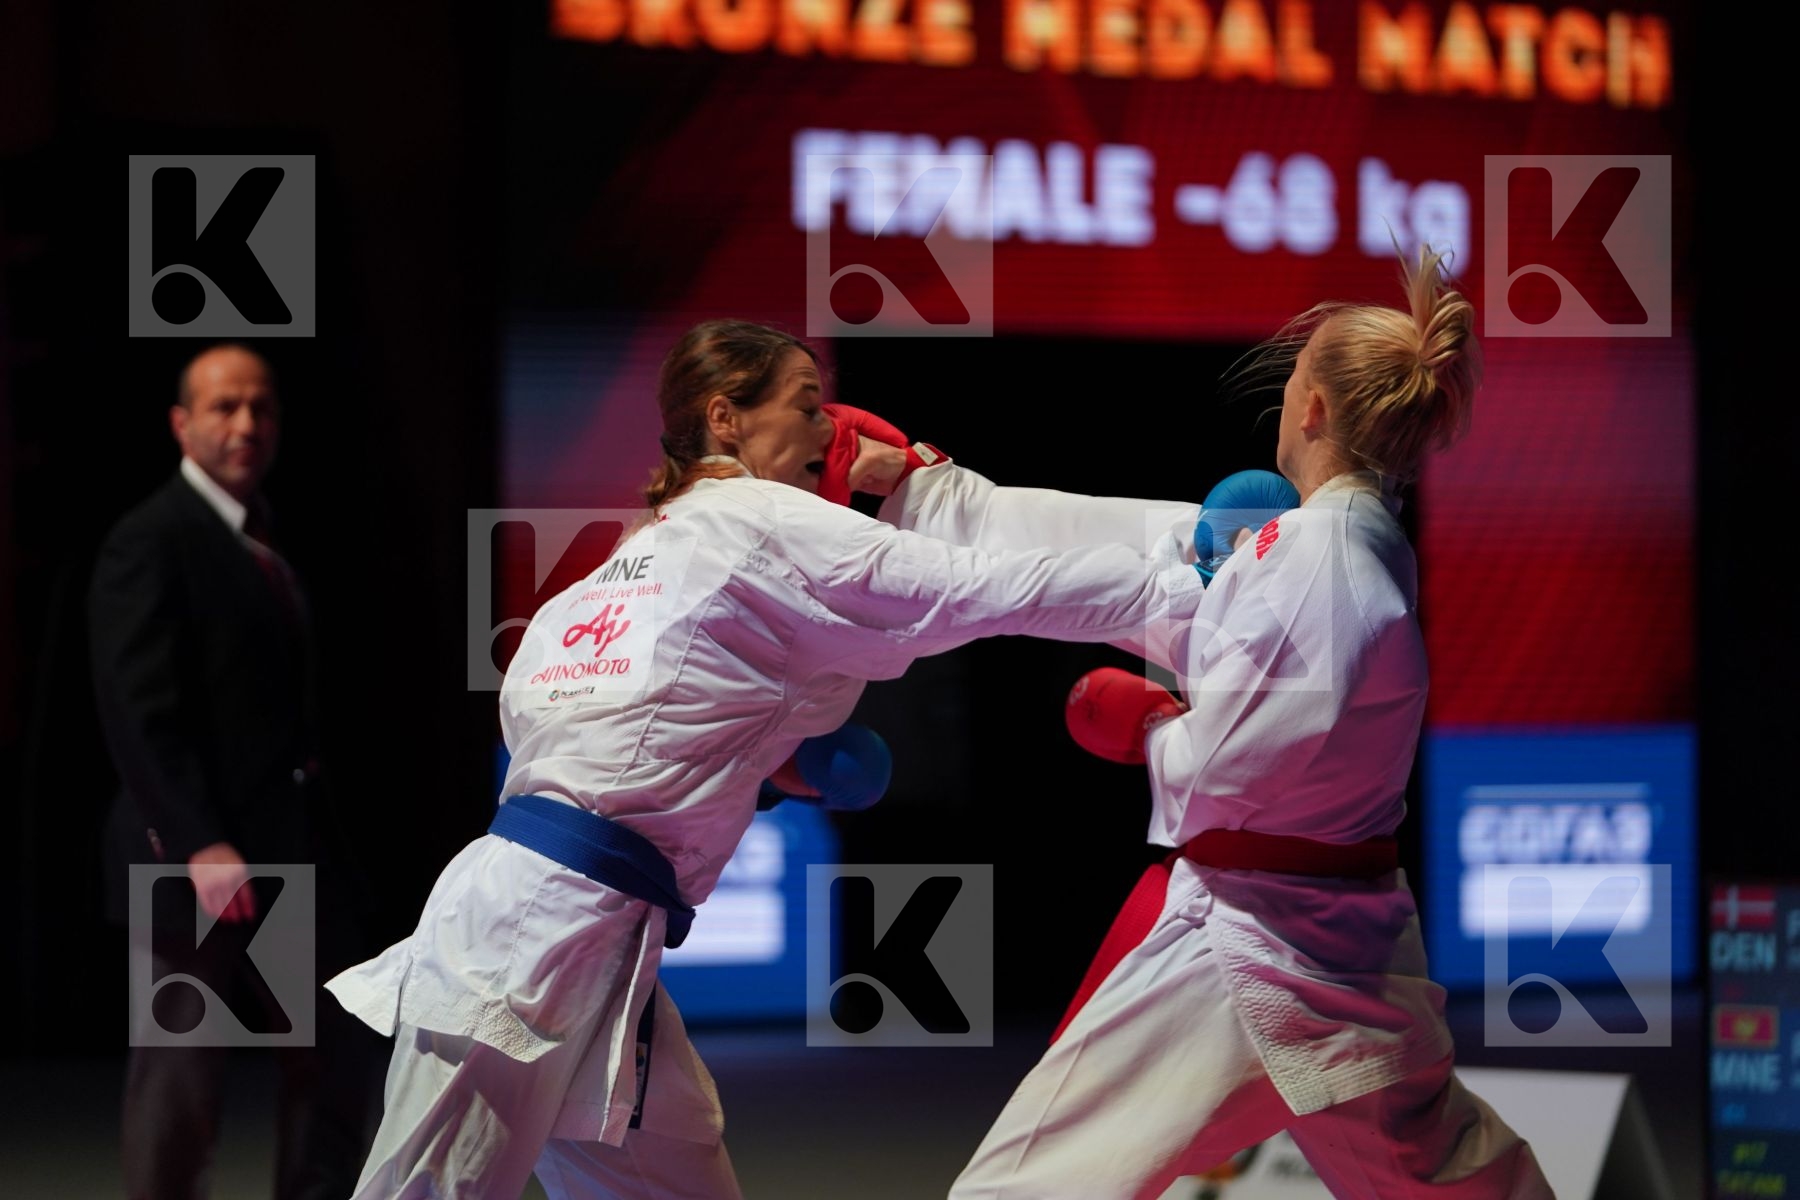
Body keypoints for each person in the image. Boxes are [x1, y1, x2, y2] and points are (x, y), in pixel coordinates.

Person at [324, 319, 1208, 1198]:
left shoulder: (624, 563)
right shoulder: (764, 519)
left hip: (592, 934)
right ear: (726, 418)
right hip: (529, 941)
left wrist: (757, 765)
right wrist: (1184, 586)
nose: (830, 431)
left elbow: (561, 730)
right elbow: (978, 588)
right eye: (808, 407)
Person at [858, 248, 1553, 1198]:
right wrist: (934, 491)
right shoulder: (1330, 542)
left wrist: (1150, 727)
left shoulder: (1318, 562)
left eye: (1294, 379)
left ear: (1313, 408)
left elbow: (1238, 771)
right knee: (1456, 1182)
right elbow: (1140, 556)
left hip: (1248, 943)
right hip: (1343, 945)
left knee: (1027, 1186)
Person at [90, 343, 379, 1200]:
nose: (246, 423)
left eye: (261, 406)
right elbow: (137, 712)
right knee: (181, 1076)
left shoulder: (261, 534)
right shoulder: (152, 538)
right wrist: (198, 842)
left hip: (284, 849)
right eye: (224, 406)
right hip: (193, 862)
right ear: (182, 424)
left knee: (336, 1045)